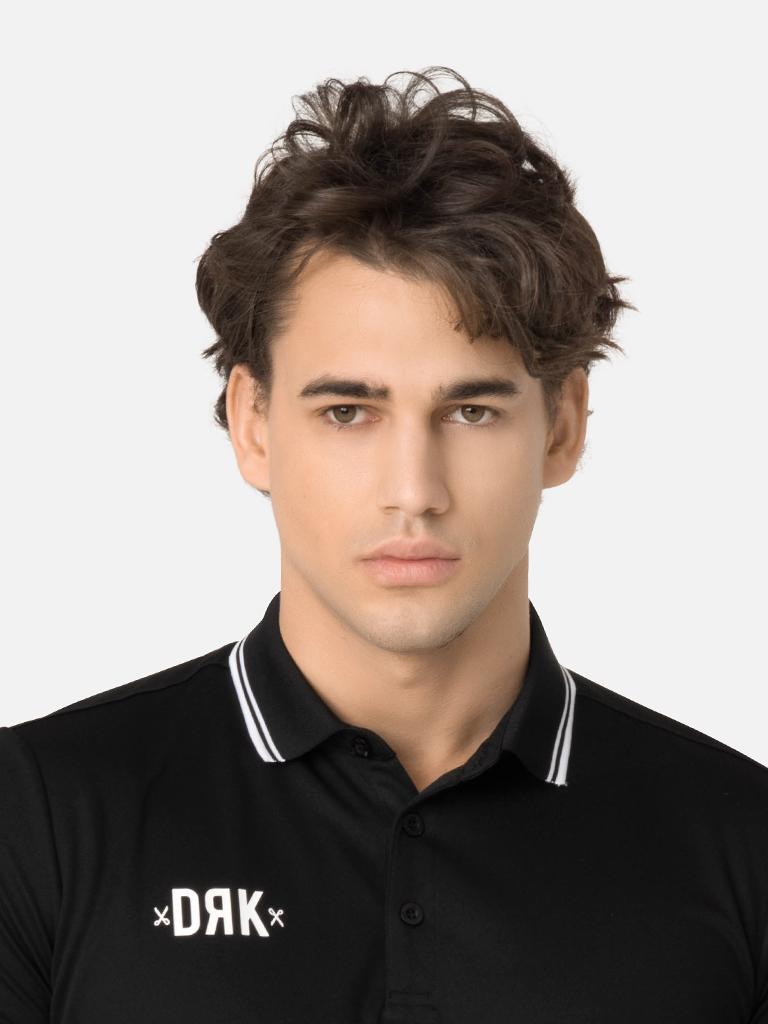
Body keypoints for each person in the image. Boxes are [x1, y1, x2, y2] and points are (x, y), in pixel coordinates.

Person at [1, 65, 766, 1023]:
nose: (415, 491)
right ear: (253, 424)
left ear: (564, 426)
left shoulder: (742, 843)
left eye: (473, 410)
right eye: (349, 411)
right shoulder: (36, 818)